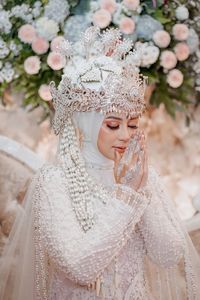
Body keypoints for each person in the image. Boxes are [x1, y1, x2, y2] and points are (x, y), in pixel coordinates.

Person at [0, 26, 200, 300]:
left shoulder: (141, 176)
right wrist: (127, 197)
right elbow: (79, 267)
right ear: (87, 123)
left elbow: (168, 255)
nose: (125, 135)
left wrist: (140, 189)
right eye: (113, 124)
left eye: (132, 124)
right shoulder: (54, 181)